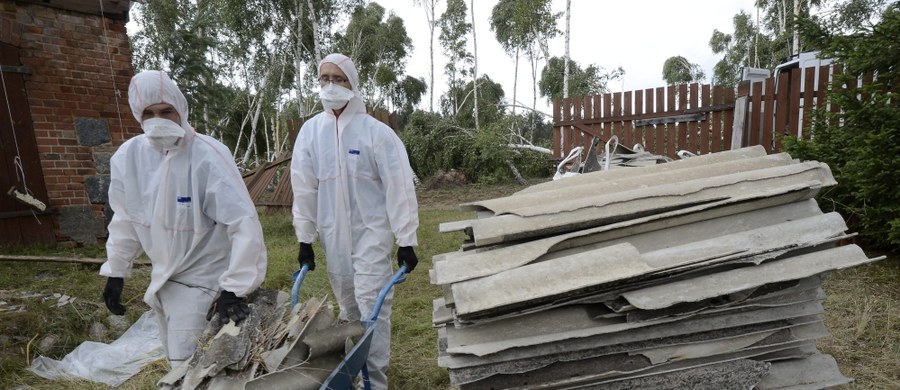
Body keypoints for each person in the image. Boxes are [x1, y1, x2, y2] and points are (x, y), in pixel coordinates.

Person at [99, 70, 268, 369]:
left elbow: (242, 222)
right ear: (138, 115)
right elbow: (126, 220)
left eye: (166, 111)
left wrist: (234, 288)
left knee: (188, 365)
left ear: (182, 109)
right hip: (163, 278)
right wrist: (116, 271)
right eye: (149, 113)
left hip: (205, 277)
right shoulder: (128, 158)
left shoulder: (208, 155)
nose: (158, 120)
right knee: (176, 360)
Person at [290, 53, 419, 389]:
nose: (330, 86)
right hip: (334, 242)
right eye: (324, 79)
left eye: (339, 79)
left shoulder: (376, 134)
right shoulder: (310, 133)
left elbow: (399, 189)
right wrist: (305, 238)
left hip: (371, 236)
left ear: (353, 85)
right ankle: (356, 378)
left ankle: (375, 382)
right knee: (348, 310)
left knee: (372, 311)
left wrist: (407, 240)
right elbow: (304, 188)